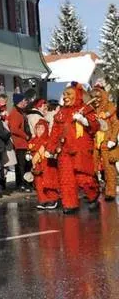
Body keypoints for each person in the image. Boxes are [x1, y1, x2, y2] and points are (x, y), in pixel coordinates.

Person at [50, 82, 100, 213]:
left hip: (81, 150)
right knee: (66, 179)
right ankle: (70, 204)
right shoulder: (61, 112)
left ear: (76, 95)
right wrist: (51, 148)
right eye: (64, 94)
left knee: (84, 178)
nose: (65, 97)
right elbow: (55, 132)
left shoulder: (86, 109)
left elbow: (95, 126)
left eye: (69, 94)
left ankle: (93, 194)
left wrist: (85, 121)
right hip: (64, 150)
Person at [91, 85, 119, 201]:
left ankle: (110, 192)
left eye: (98, 97)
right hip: (95, 140)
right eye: (94, 97)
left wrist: (112, 140)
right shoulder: (91, 108)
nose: (96, 99)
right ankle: (94, 191)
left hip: (107, 141)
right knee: (93, 166)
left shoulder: (110, 107)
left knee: (108, 167)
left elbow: (115, 124)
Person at [27, 119, 60, 210]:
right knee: (39, 184)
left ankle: (53, 199)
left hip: (48, 166)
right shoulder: (33, 141)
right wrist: (28, 155)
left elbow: (54, 150)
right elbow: (30, 149)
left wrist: (51, 154)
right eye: (37, 129)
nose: (39, 131)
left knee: (49, 182)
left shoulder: (49, 140)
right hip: (37, 166)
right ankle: (43, 200)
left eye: (42, 129)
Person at [8, 93, 31, 192]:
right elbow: (14, 129)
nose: (25, 102)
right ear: (19, 102)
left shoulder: (19, 112)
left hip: (21, 143)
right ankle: (22, 184)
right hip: (19, 143)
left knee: (23, 164)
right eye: (23, 101)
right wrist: (25, 135)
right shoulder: (16, 113)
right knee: (22, 165)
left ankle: (23, 183)